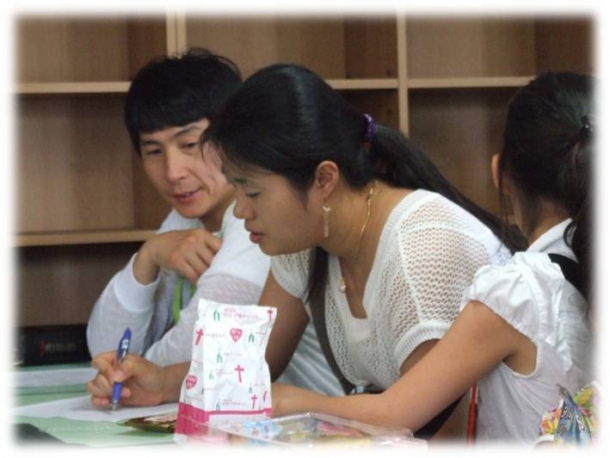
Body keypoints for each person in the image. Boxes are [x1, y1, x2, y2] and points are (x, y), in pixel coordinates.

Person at [87, 63, 523, 439]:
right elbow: (253, 362)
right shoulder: (305, 239)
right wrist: (161, 382)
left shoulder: (421, 248)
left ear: (324, 180)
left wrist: (292, 403)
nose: (240, 211)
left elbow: (430, 422)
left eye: (252, 192)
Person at [86, 50, 343, 397]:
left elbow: (203, 349)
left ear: (231, 137)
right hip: (239, 411)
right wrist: (147, 257)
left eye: (190, 144)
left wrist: (128, 373)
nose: (173, 172)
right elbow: (104, 349)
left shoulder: (261, 218)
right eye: (154, 151)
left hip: (315, 417)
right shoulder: (185, 218)